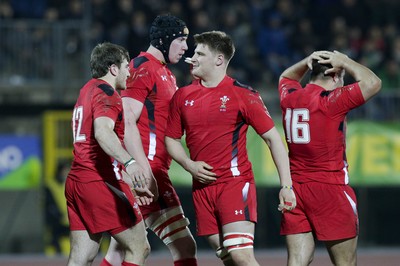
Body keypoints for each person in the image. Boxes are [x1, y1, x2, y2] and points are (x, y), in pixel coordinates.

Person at [164, 30, 296, 266]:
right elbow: (171, 139)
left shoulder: (242, 94)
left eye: (200, 53)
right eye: (194, 52)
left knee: (241, 255)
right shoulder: (182, 96)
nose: (192, 58)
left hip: (235, 184)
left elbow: (273, 139)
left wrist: (286, 186)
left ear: (219, 60)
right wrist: (188, 164)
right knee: (227, 256)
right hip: (202, 189)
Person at [102, 14, 198, 266]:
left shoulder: (163, 71)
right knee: (183, 247)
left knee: (120, 252)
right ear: (165, 40)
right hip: (148, 171)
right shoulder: (142, 67)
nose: (186, 47)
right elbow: (128, 121)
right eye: (181, 40)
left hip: (149, 170)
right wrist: (141, 169)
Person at [278, 50, 382, 266]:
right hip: (330, 189)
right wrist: (344, 61)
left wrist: (306, 62)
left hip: (296, 190)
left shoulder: (290, 97)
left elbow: (286, 77)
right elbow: (373, 83)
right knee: (345, 263)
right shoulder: (331, 101)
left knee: (296, 261)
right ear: (335, 75)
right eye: (341, 77)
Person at [65, 42, 156, 266]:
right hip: (98, 181)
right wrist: (131, 163)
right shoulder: (108, 93)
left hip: (77, 181)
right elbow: (102, 133)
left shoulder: (87, 89)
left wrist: (129, 181)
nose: (129, 71)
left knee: (81, 258)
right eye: (126, 66)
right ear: (113, 68)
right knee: (138, 248)